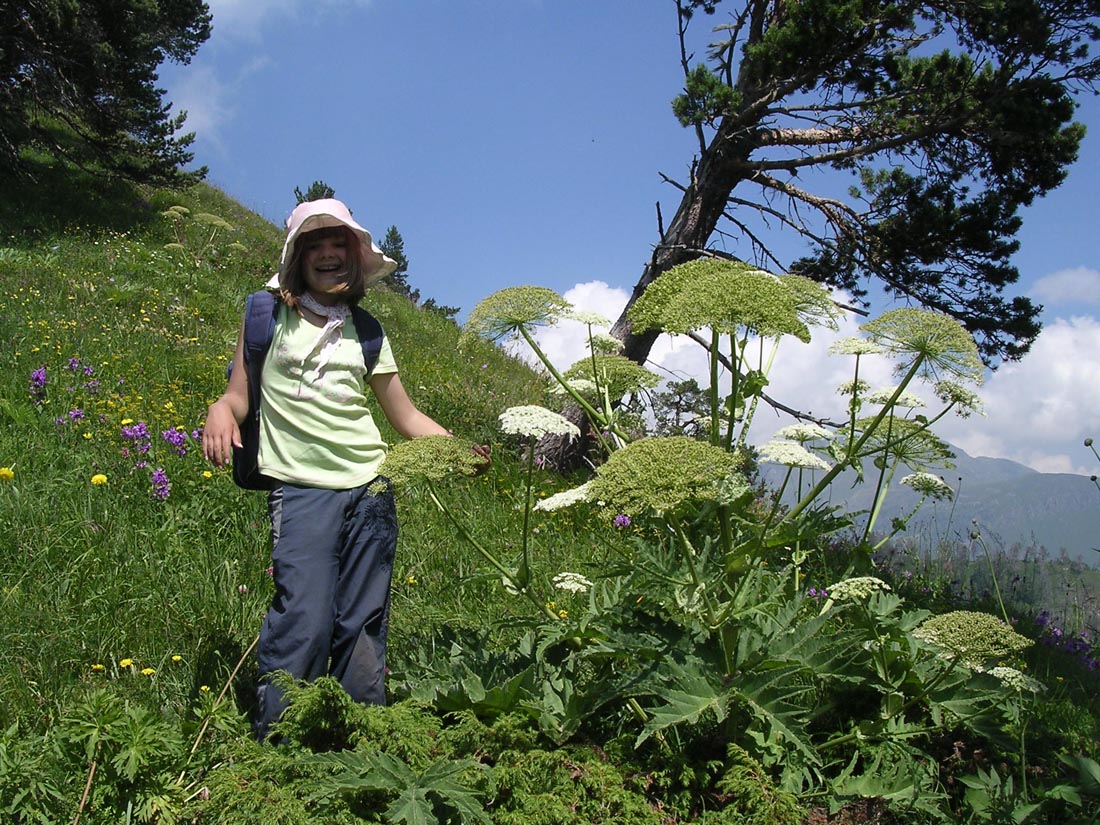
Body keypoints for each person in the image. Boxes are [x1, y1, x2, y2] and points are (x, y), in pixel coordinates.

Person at [203, 198, 479, 740]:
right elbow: (238, 395)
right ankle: (278, 748)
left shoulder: (368, 332)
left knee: (363, 623)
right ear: (298, 257)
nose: (328, 254)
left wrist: (457, 448)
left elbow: (406, 416)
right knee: (302, 617)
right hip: (301, 492)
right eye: (315, 244)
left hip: (372, 490)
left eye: (339, 245)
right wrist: (218, 410)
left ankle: (360, 741)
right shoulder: (265, 316)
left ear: (355, 259)